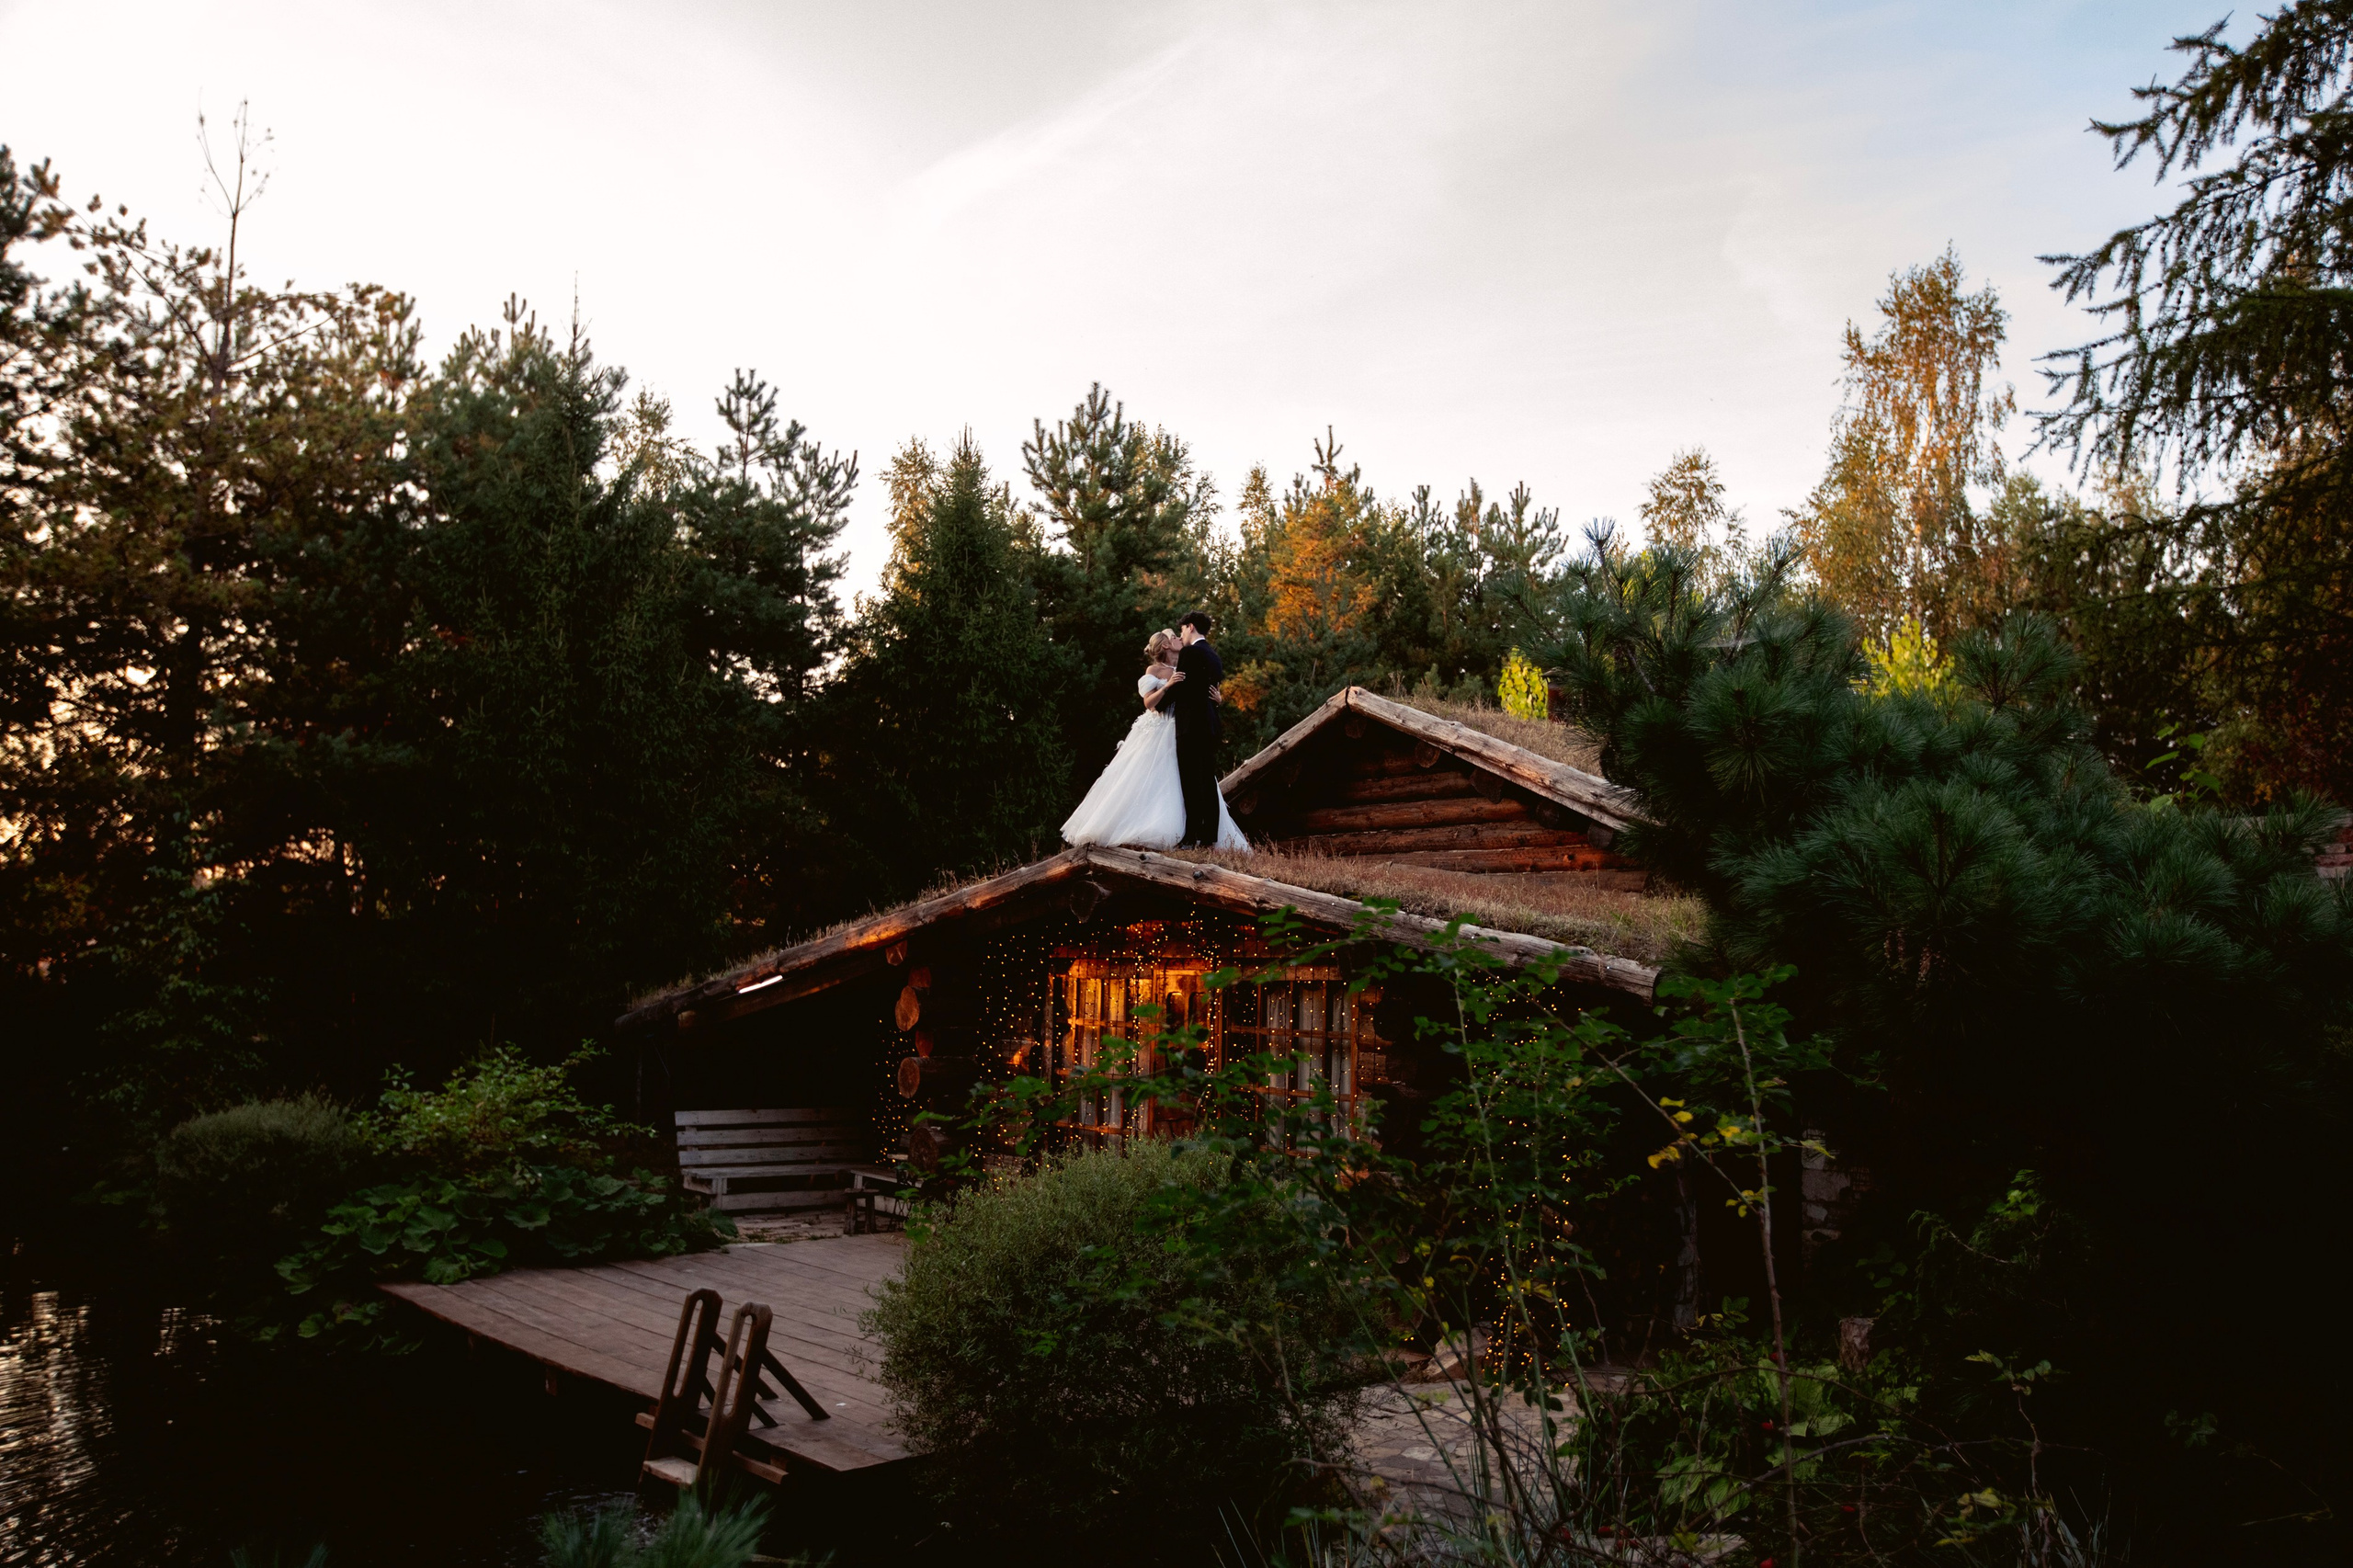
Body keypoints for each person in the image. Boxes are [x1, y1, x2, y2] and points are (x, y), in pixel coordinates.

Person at [1059, 626, 1248, 850]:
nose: (1180, 638)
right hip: (1160, 729)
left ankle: (1196, 833)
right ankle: (1149, 830)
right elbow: (1149, 703)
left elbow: (1199, 697)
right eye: (1174, 637)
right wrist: (1168, 686)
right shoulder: (1154, 670)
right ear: (1166, 645)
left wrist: (1218, 700)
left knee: (1192, 780)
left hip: (1185, 730)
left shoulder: (1187, 666)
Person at [1171, 610, 1229, 848]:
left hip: (1191, 725)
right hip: (1210, 724)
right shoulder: (1214, 656)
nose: (1182, 634)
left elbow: (1180, 688)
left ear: (1191, 627)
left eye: (1183, 629)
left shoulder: (1190, 652)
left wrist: (1157, 699)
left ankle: (1191, 835)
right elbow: (1210, 691)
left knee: (1191, 781)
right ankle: (1208, 837)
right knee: (1207, 780)